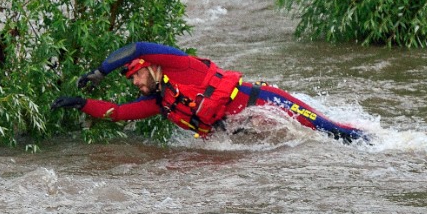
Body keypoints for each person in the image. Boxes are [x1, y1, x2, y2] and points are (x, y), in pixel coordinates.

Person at [52, 41, 370, 144]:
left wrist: (100, 71)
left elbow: (138, 45)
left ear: (149, 67)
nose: (135, 84)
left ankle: (377, 142)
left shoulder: (181, 65)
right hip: (246, 128)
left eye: (136, 75)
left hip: (262, 101)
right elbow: (119, 113)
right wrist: (81, 103)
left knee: (330, 130)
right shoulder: (161, 102)